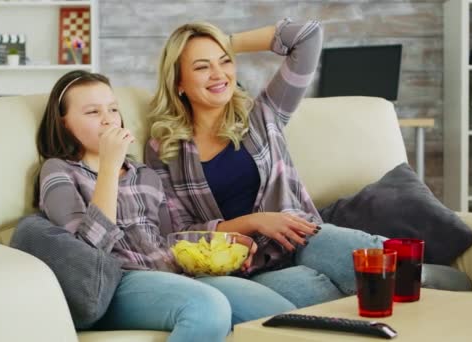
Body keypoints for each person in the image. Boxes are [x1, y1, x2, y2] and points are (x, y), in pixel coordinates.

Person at [30, 69, 295, 341]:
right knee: (207, 308)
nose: (108, 120)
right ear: (64, 123)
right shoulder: (59, 170)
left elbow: (170, 239)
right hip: (115, 283)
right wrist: (108, 166)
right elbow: (85, 255)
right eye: (92, 112)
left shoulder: (144, 174)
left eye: (112, 109)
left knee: (283, 316)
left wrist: (221, 244)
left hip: (172, 275)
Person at [145, 18, 383, 308]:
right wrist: (254, 222)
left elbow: (307, 35)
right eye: (202, 66)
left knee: (379, 261)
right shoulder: (164, 148)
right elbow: (179, 236)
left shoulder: (264, 113)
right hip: (248, 270)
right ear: (179, 82)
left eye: (224, 61)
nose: (219, 74)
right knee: (319, 295)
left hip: (301, 237)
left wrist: (226, 41)